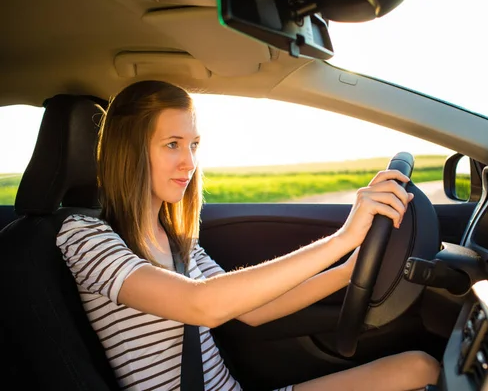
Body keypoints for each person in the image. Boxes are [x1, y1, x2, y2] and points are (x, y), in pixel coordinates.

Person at [57, 80, 440, 391]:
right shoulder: (85, 238)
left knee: (420, 368)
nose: (189, 162)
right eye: (172, 144)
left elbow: (253, 310)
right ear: (130, 151)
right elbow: (201, 305)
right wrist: (341, 239)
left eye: (193, 145)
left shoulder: (176, 239)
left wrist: (348, 270)